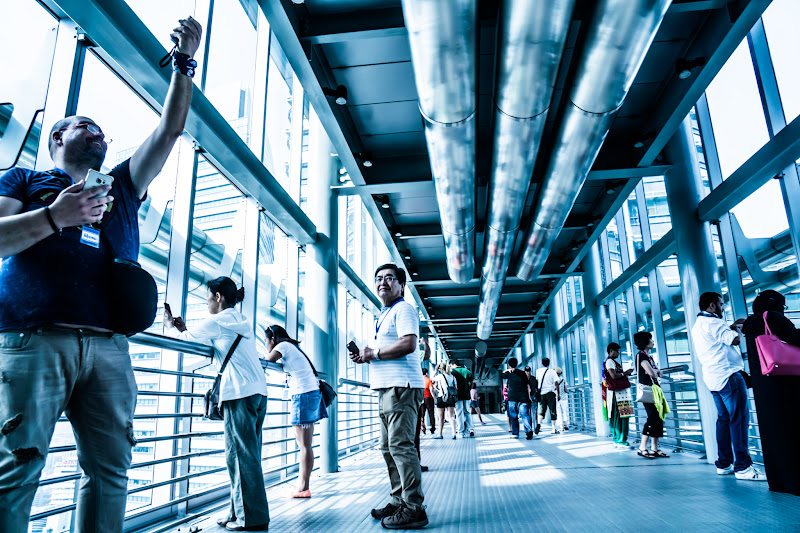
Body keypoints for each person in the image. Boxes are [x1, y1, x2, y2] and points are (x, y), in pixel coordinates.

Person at [0, 17, 201, 533]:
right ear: (57, 138)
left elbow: (170, 129)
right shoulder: (25, 179)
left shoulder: (123, 186)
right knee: (15, 469)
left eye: (101, 130)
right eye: (85, 125)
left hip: (110, 347)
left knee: (111, 472)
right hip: (33, 341)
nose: (98, 134)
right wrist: (53, 217)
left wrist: (184, 61)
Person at [164, 277, 269, 532]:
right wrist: (184, 329)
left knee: (242, 458)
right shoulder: (237, 320)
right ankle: (238, 511)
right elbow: (197, 337)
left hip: (240, 394)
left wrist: (169, 325)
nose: (206, 301)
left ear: (219, 297)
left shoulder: (219, 321)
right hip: (257, 392)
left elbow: (185, 341)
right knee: (240, 457)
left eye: (208, 296)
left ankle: (251, 519)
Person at [350, 263, 428, 529]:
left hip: (401, 387)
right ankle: (399, 501)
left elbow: (409, 343)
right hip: (387, 388)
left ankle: (414, 507)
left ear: (401, 285)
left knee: (401, 447)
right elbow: (387, 349)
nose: (382, 282)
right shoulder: (385, 313)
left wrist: (375, 353)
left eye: (389, 278)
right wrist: (367, 356)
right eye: (378, 278)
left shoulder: (404, 309)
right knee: (388, 448)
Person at [692, 292, 764, 481]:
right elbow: (734, 340)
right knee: (739, 421)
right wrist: (738, 330)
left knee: (724, 420)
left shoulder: (698, 324)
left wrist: (730, 327)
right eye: (721, 305)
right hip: (729, 376)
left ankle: (724, 463)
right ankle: (743, 467)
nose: (723, 308)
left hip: (713, 378)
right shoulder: (715, 322)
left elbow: (718, 339)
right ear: (712, 306)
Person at [742, 290, 800, 495]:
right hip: (783, 383)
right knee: (791, 430)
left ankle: (777, 482)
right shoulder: (773, 317)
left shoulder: (749, 324)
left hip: (763, 388)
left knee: (771, 432)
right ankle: (795, 482)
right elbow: (795, 338)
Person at [263, 324, 327, 499]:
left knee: (304, 445)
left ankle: (303, 486)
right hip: (309, 393)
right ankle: (302, 484)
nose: (266, 345)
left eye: (266, 341)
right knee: (306, 444)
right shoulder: (293, 347)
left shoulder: (282, 346)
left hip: (303, 395)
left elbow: (267, 361)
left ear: (273, 339)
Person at [634, 331, 668, 459]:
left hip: (655, 389)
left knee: (658, 417)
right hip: (648, 390)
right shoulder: (641, 357)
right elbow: (651, 373)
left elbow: (652, 372)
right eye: (651, 339)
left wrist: (656, 371)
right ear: (645, 342)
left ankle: (655, 448)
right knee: (653, 417)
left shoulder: (648, 356)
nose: (653, 342)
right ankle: (642, 447)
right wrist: (657, 371)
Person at [604, 342, 634, 448]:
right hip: (618, 394)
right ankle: (620, 440)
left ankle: (619, 439)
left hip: (619, 393)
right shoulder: (610, 362)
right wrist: (625, 373)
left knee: (621, 416)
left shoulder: (612, 362)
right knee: (621, 417)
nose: (618, 353)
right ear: (611, 350)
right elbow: (613, 376)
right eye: (617, 351)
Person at [502, 357, 533, 439]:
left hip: (512, 398)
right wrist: (529, 397)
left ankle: (515, 433)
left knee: (513, 416)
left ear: (509, 365)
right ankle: (529, 430)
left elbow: (502, 375)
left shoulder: (508, 373)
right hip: (523, 398)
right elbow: (527, 386)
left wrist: (506, 370)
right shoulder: (523, 373)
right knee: (524, 415)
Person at [433, 362, 457, 439]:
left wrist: (435, 370)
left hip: (441, 397)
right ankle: (454, 434)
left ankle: (440, 434)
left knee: (441, 417)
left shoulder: (440, 376)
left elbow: (432, 378)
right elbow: (456, 388)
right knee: (451, 416)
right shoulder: (453, 377)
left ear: (441, 369)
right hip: (450, 398)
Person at [450, 360, 475, 437]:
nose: (451, 367)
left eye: (451, 366)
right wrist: (469, 389)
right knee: (467, 412)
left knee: (459, 413)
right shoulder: (467, 371)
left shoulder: (453, 372)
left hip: (457, 396)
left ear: (454, 364)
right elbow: (472, 382)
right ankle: (471, 429)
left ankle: (461, 431)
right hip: (466, 395)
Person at [535, 357, 558, 435]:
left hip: (542, 394)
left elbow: (537, 381)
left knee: (541, 411)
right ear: (549, 363)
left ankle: (538, 425)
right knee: (553, 411)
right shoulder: (552, 372)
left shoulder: (538, 371)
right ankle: (553, 429)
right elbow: (556, 383)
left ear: (542, 363)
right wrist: (558, 393)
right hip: (550, 393)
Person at [421, 368, 436, 434]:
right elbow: (431, 390)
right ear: (426, 373)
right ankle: (432, 428)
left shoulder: (419, 380)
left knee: (422, 415)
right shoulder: (428, 380)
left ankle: (422, 429)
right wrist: (434, 398)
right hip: (428, 398)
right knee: (431, 414)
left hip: (421, 398)